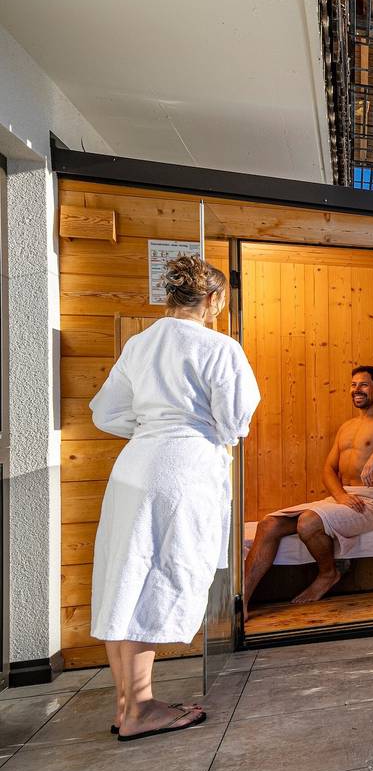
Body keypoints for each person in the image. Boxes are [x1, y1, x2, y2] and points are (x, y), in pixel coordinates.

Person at [89, 254, 260, 741]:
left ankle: (128, 705)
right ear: (213, 300)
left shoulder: (139, 344)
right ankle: (141, 709)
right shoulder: (219, 347)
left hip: (135, 467)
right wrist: (184, 429)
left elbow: (106, 413)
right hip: (181, 469)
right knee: (157, 576)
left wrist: (149, 428)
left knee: (124, 578)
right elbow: (235, 422)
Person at [242, 366, 373, 615]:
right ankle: (242, 601)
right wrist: (341, 496)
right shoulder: (347, 427)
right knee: (268, 524)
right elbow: (328, 469)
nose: (357, 390)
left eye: (363, 385)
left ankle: (328, 573)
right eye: (353, 385)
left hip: (372, 502)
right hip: (341, 498)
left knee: (308, 522)